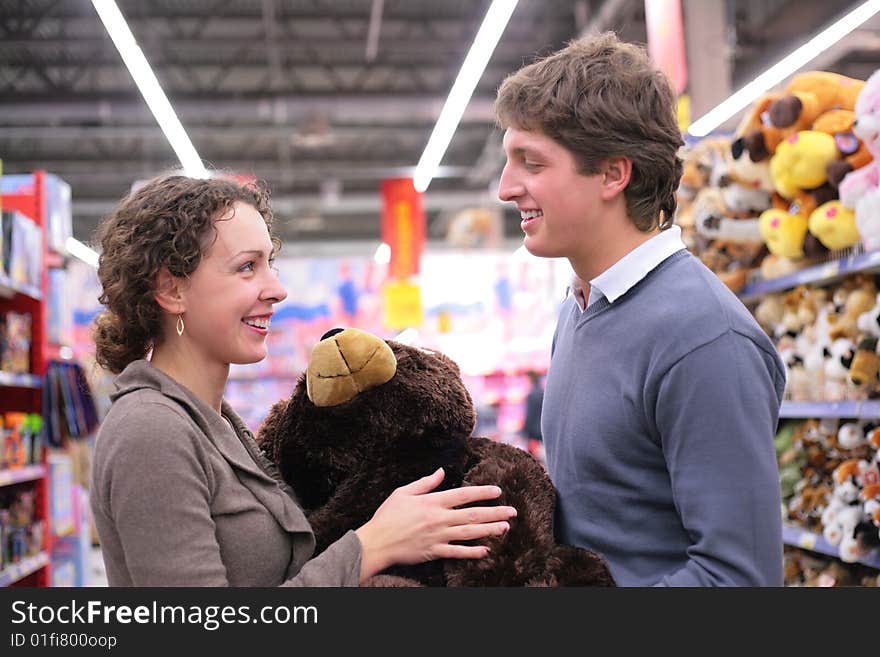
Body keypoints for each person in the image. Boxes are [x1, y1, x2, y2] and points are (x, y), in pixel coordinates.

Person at [90, 174, 516, 586]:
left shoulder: (213, 422)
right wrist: (370, 548)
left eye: (268, 263)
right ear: (171, 291)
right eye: (246, 268)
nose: (276, 288)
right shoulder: (152, 431)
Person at [495, 32, 786, 586]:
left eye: (530, 162)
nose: (506, 188)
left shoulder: (704, 339)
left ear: (612, 173)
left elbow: (739, 581)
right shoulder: (580, 308)